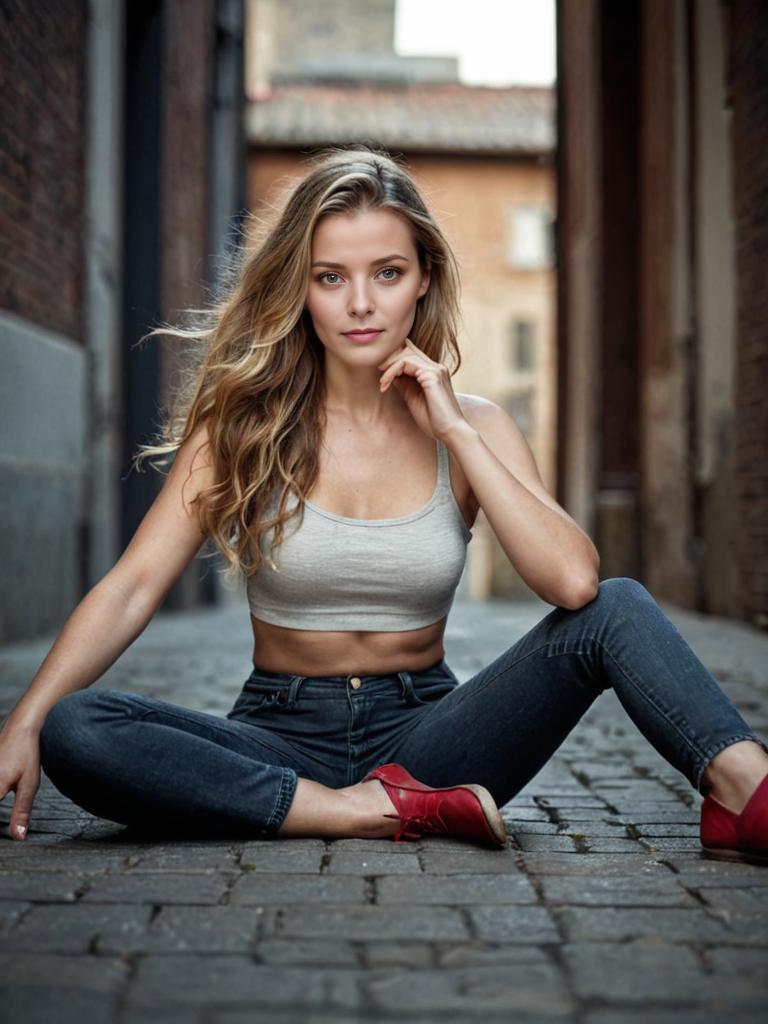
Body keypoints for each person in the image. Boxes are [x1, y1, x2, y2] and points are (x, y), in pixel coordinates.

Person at [2, 146, 768, 861]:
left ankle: (746, 792)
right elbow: (133, 585)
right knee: (78, 727)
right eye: (330, 276)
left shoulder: (479, 426)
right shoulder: (242, 425)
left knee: (621, 605)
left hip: (433, 739)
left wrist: (456, 433)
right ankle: (367, 811)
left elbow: (574, 586)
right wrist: (25, 720)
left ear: (425, 277)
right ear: (299, 287)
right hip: (278, 732)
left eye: (388, 273)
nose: (360, 304)